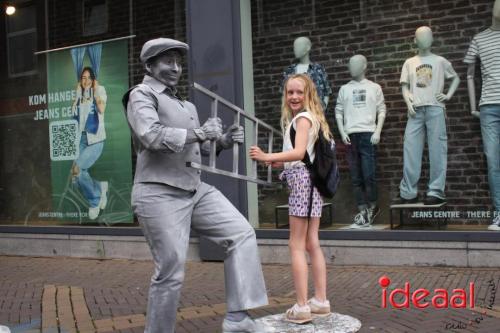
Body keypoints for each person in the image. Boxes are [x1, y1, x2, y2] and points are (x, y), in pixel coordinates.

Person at [124, 38, 270, 333]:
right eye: (168, 61)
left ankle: (238, 318)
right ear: (150, 65)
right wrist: (200, 131)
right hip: (157, 192)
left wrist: (223, 141)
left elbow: (197, 149)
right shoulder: (141, 95)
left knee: (241, 234)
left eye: (178, 62)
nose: (176, 68)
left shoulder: (186, 104)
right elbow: (150, 135)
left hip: (194, 189)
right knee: (171, 271)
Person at [250, 73, 331, 324]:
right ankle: (320, 301)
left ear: (309, 95)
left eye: (299, 92)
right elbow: (301, 156)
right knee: (311, 243)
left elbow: (297, 152)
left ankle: (302, 306)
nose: (294, 96)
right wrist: (279, 163)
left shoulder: (304, 119)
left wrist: (265, 156)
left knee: (296, 245)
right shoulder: (310, 118)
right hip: (311, 185)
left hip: (303, 185)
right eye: (290, 92)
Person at [395, 26, 460, 206]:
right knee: (410, 148)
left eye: (427, 35)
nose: (423, 39)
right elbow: (404, 86)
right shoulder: (409, 62)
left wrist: (447, 95)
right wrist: (408, 102)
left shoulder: (440, 61)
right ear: (414, 40)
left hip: (435, 108)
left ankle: (436, 190)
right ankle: (409, 192)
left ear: (432, 39)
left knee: (437, 149)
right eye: (419, 36)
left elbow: (455, 77)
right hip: (415, 110)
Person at [335, 55, 386, 228]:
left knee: (369, 174)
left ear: (364, 66)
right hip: (351, 136)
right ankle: (362, 210)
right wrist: (342, 132)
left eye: (355, 64)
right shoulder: (344, 89)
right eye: (350, 64)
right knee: (356, 176)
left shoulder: (374, 87)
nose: (352, 67)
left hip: (368, 135)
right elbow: (338, 111)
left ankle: (373, 206)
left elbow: (382, 110)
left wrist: (377, 131)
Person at [464, 0, 500, 231]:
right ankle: (499, 213)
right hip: (488, 107)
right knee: (493, 161)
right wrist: (473, 105)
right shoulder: (479, 38)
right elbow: (469, 74)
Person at [71, 66, 108, 220]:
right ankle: (100, 187)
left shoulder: (100, 90)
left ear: (93, 79)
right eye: (83, 78)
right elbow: (74, 115)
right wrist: (76, 96)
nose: (85, 81)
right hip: (82, 139)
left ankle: (94, 201)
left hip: (95, 140)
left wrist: (96, 90)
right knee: (75, 177)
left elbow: (101, 109)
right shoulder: (79, 94)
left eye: (88, 78)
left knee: (78, 170)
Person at [280, 37, 332, 112]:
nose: (295, 49)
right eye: (294, 47)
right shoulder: (289, 71)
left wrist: (322, 109)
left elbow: (326, 92)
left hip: (315, 115)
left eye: (298, 46)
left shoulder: (318, 69)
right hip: (294, 115)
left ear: (308, 47)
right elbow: (284, 94)